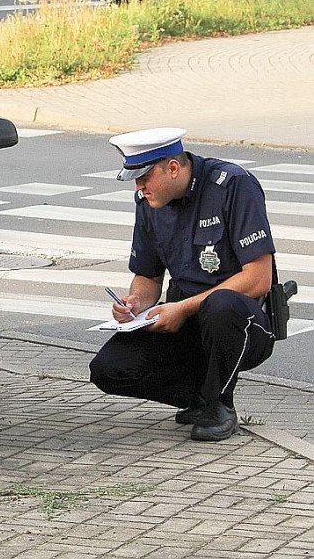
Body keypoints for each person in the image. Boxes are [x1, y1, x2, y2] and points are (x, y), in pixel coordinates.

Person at [89, 127, 276, 442]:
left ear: (173, 168)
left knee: (221, 305)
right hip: (185, 320)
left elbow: (259, 277)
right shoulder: (149, 203)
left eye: (145, 177)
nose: (139, 186)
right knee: (109, 369)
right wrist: (135, 303)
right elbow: (148, 277)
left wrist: (184, 308)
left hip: (240, 324)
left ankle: (220, 405)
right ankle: (201, 396)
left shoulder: (231, 185)